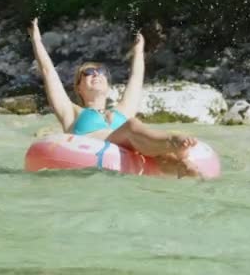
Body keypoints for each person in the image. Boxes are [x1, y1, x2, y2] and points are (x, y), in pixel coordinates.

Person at [27, 18, 199, 177]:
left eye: (101, 72)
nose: (96, 74)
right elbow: (49, 73)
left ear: (108, 85)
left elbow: (136, 80)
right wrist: (36, 39)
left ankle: (182, 166)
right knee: (131, 124)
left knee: (160, 154)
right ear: (78, 87)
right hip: (99, 145)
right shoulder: (72, 113)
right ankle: (173, 140)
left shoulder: (121, 111)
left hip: (132, 147)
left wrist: (139, 50)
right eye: (88, 73)